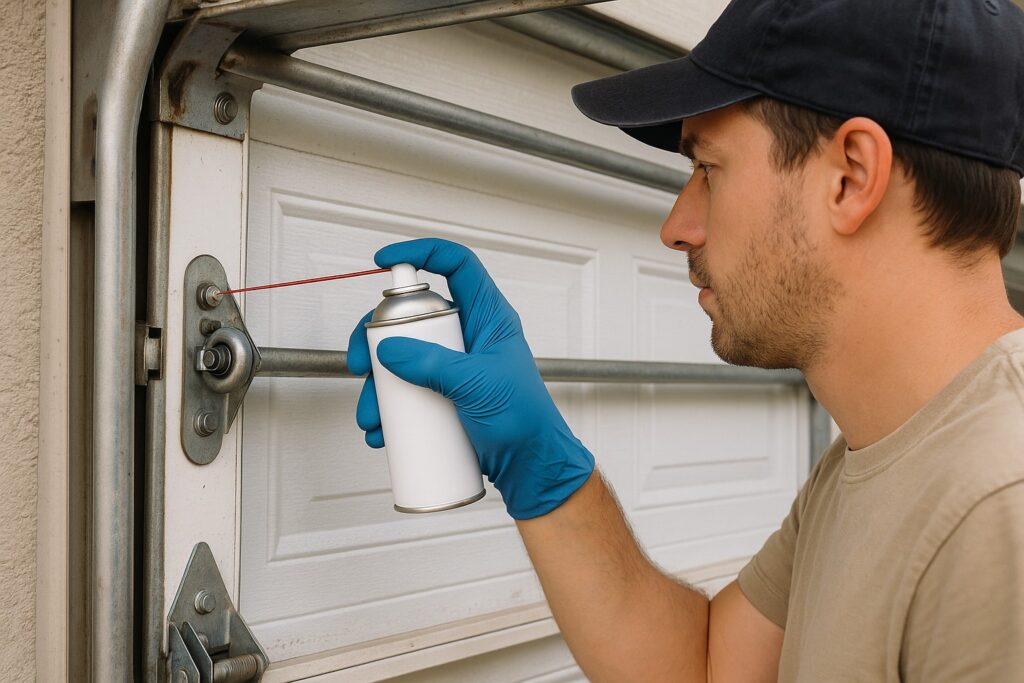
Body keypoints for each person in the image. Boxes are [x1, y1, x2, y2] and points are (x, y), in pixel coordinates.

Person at [347, 0, 1024, 679]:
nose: (676, 225)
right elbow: (706, 666)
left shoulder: (998, 511)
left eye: (708, 169)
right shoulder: (885, 454)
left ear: (850, 176)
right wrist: (537, 458)